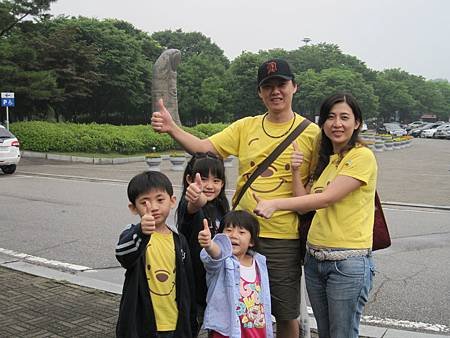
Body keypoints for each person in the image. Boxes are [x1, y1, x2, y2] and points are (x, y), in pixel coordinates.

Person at [152, 58, 320, 338]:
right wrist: (172, 128)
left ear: (294, 87)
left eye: (281, 84)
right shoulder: (246, 127)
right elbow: (206, 148)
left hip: (283, 239)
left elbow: (318, 191)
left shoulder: (312, 134)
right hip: (238, 236)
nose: (275, 91)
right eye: (268, 86)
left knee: (284, 311)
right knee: (234, 304)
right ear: (259, 92)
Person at [253, 92, 377, 338]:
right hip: (315, 261)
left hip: (347, 263)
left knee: (341, 334)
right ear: (322, 123)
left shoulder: (362, 156)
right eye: (330, 117)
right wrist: (297, 170)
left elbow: (327, 198)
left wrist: (275, 204)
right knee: (327, 333)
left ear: (357, 123)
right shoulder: (328, 161)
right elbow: (304, 206)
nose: (337, 123)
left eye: (344, 117)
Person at [115, 171, 198, 338]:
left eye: (160, 200)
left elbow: (188, 283)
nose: (153, 207)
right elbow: (122, 254)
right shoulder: (133, 235)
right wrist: (141, 231)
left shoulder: (179, 241)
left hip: (175, 325)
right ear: (133, 207)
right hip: (142, 325)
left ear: (172, 201)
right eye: (144, 202)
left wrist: (190, 320)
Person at [198, 210, 273, 338]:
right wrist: (210, 245)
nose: (234, 235)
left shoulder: (258, 262)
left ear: (252, 241)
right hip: (226, 330)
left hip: (255, 328)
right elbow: (215, 255)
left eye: (241, 232)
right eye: (228, 230)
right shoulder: (222, 262)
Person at [176, 152, 230, 326]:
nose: (209, 185)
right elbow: (196, 203)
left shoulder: (222, 206)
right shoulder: (188, 205)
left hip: (216, 281)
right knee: (190, 326)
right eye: (203, 179)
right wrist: (197, 196)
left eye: (216, 181)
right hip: (193, 282)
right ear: (189, 180)